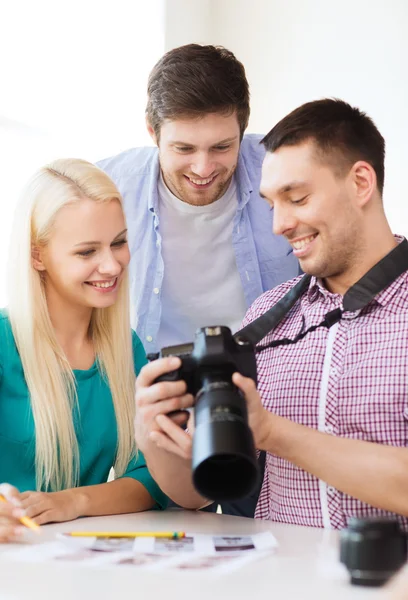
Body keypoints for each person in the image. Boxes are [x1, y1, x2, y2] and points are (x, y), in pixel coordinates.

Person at [134, 98, 408, 528]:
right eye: (270, 204)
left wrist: (275, 434)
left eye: (296, 198)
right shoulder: (264, 318)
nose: (280, 224)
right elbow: (194, 496)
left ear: (360, 183)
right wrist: (153, 433)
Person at [98, 43, 300, 517]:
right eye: (184, 148)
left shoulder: (286, 170)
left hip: (266, 383)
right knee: (165, 547)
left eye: (222, 147)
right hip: (156, 385)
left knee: (265, 535)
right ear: (153, 131)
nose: (204, 168)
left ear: (243, 131)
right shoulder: (107, 189)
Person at [0, 159, 167, 543]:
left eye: (119, 243)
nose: (111, 265)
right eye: (86, 251)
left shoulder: (126, 348)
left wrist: (72, 501)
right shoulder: (3, 341)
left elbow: (150, 479)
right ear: (37, 256)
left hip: (76, 561)